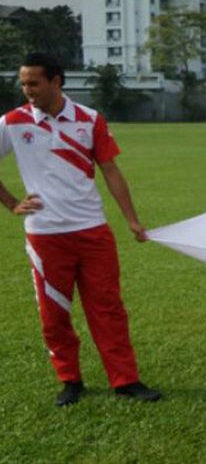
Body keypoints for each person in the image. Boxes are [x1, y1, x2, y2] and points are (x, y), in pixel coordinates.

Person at [0, 53, 161, 406]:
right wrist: (12, 203)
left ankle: (125, 380)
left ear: (56, 81)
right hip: (44, 236)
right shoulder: (12, 122)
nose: (27, 90)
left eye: (33, 83)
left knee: (108, 309)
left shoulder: (89, 120)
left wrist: (132, 219)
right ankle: (70, 380)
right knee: (53, 313)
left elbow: (111, 171)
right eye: (23, 83)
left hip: (92, 232)